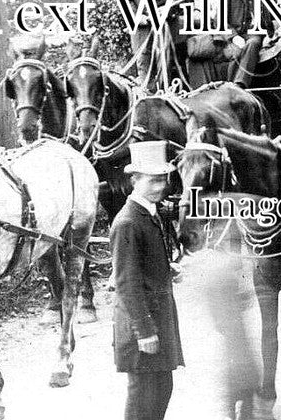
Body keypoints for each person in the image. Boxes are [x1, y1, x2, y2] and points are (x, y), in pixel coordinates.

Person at [111, 141, 184, 420]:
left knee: (162, 390)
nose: (159, 187)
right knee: (142, 400)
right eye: (153, 181)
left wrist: (166, 269)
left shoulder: (147, 215)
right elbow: (126, 283)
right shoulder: (128, 222)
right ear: (134, 180)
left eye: (163, 181)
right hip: (141, 327)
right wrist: (144, 331)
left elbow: (141, 266)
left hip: (157, 321)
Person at [185, 0, 263, 88]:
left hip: (234, 29)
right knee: (199, 54)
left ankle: (234, 86)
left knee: (240, 49)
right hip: (215, 32)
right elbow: (200, 14)